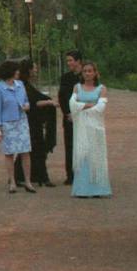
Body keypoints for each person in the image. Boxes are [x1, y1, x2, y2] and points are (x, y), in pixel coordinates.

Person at [0, 60, 35, 194]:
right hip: (7, 123)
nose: (18, 72)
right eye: (16, 70)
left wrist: (27, 105)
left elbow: (26, 100)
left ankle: (28, 181)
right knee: (9, 153)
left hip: (21, 121)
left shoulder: (20, 85)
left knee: (25, 152)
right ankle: (12, 181)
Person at [70, 61, 111, 198]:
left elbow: (100, 108)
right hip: (81, 127)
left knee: (96, 155)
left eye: (90, 71)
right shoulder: (77, 88)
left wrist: (81, 107)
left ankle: (97, 189)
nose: (87, 73)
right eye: (85, 71)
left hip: (95, 127)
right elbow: (72, 104)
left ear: (95, 73)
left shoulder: (101, 88)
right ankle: (82, 189)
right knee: (82, 154)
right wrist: (88, 105)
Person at [15, 60, 59, 187]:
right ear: (28, 70)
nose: (36, 70)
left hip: (34, 122)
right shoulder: (23, 86)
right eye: (34, 68)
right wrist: (50, 103)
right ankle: (40, 177)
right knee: (34, 148)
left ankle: (31, 176)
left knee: (33, 148)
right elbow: (34, 103)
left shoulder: (27, 84)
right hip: (30, 122)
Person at [57, 51, 82, 185]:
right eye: (67, 61)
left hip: (83, 116)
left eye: (71, 60)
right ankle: (70, 175)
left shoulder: (85, 76)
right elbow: (62, 97)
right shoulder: (65, 78)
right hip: (69, 117)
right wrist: (67, 113)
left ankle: (83, 173)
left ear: (78, 61)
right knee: (70, 146)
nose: (69, 63)